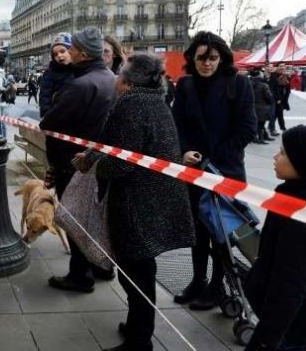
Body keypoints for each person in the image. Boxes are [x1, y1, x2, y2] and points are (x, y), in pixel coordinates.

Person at [94, 53, 195, 351]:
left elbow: (121, 162)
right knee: (140, 268)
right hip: (156, 197)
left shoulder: (130, 104)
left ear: (127, 81)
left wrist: (97, 167)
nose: (116, 78)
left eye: (120, 73)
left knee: (135, 272)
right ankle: (138, 326)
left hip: (136, 202)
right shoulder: (156, 100)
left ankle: (139, 341)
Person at [171, 31, 257, 311]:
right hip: (193, 171)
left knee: (221, 231)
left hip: (225, 170)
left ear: (221, 58)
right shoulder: (185, 85)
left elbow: (247, 129)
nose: (206, 63)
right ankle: (198, 280)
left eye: (212, 58)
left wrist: (213, 159)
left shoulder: (238, 84)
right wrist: (184, 151)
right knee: (197, 229)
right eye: (201, 58)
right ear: (192, 58)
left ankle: (218, 286)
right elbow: (177, 125)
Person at [40, 26, 116, 292]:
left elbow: (49, 122)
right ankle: (102, 265)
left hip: (73, 162)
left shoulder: (80, 85)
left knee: (74, 219)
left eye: (72, 49)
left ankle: (79, 275)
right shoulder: (110, 78)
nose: (68, 52)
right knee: (96, 217)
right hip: (101, 162)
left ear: (82, 54)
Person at [244, 125, 306, 351]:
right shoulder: (292, 193)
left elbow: (290, 283)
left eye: (283, 152)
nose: (275, 155)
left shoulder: (301, 213)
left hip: (290, 328)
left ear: (302, 161)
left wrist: (265, 339)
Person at [38, 33, 73, 117]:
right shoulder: (49, 74)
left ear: (71, 51)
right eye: (55, 54)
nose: (59, 55)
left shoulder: (81, 69)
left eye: (62, 51)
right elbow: (44, 99)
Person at [250, 68, 275, 144]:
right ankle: (260, 139)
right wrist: (269, 102)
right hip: (262, 107)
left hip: (252, 107)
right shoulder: (264, 85)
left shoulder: (249, 84)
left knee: (257, 123)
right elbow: (269, 97)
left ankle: (262, 137)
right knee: (261, 124)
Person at [269, 63, 290, 134]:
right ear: (277, 67)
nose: (281, 67)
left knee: (277, 114)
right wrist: (277, 98)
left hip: (283, 98)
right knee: (277, 114)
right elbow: (272, 88)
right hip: (276, 98)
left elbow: (287, 87)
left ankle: (271, 127)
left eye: (283, 66)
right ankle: (280, 128)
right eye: (280, 66)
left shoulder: (286, 76)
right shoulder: (273, 76)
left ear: (285, 67)